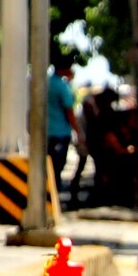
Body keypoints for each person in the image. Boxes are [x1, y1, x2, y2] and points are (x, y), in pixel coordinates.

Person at [47, 57, 80, 196]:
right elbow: (69, 110)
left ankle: (48, 194)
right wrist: (78, 131)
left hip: (46, 133)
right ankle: (55, 195)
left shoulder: (46, 82)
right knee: (58, 167)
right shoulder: (62, 86)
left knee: (49, 167)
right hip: (60, 132)